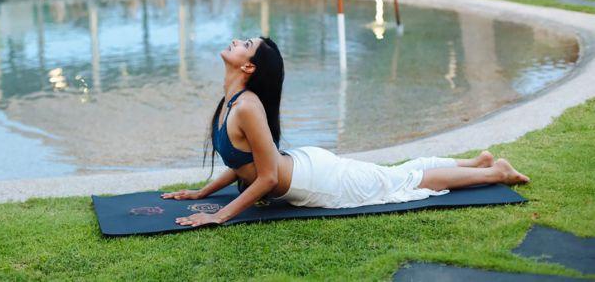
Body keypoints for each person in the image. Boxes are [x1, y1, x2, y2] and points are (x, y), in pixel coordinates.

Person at [161, 36, 530, 228]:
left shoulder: (247, 107)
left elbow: (268, 176)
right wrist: (203, 191)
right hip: (307, 168)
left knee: (406, 182)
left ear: (249, 66)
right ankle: (476, 162)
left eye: (244, 44)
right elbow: (246, 165)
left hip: (320, 181)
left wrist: (219, 215)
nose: (235, 42)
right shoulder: (233, 101)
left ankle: (493, 172)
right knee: (396, 176)